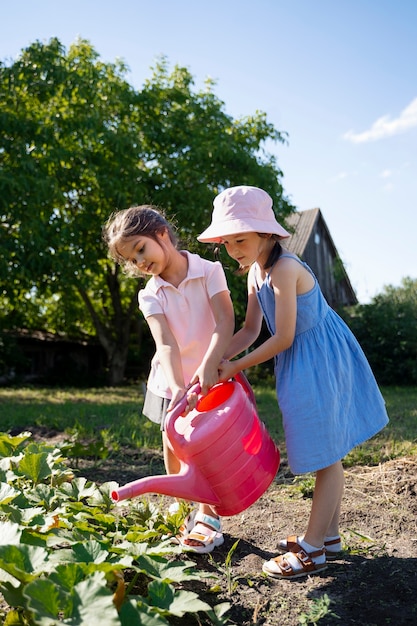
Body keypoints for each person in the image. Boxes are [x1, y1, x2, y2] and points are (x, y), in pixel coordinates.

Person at [198, 185, 389, 579]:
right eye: (227, 241)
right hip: (298, 362)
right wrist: (217, 358)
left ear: (266, 233)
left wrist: (233, 369)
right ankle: (330, 536)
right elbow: (252, 329)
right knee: (324, 451)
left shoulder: (285, 269)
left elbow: (282, 336)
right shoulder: (255, 271)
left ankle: (313, 548)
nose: (234, 249)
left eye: (241, 239)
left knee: (326, 456)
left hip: (319, 358)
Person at [103, 204, 235, 554]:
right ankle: (182, 503)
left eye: (141, 249)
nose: (139, 262)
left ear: (161, 233)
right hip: (170, 380)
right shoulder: (150, 294)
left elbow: (225, 321)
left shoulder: (209, 271)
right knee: (172, 443)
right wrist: (177, 386)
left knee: (205, 448)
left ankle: (208, 516)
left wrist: (208, 366)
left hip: (210, 379)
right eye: (132, 260)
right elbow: (165, 343)